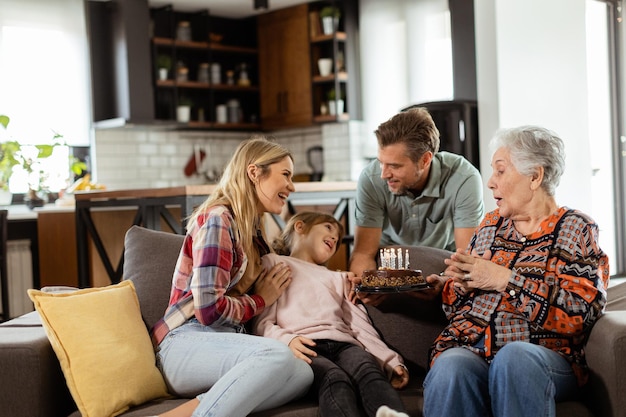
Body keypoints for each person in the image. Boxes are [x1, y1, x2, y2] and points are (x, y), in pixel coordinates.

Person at [419, 126, 610, 417]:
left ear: (535, 176)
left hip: (543, 357)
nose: (490, 183)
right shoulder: (491, 225)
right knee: (451, 365)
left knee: (514, 358)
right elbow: (461, 300)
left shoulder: (576, 228)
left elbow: (580, 313)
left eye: (500, 171)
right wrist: (455, 287)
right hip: (476, 351)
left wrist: (504, 279)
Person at [150, 137, 313, 417]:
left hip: (224, 346)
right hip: (185, 343)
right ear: (254, 173)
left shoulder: (251, 230)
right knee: (276, 355)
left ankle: (187, 412)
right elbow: (208, 310)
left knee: (302, 374)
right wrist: (261, 300)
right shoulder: (219, 220)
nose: (292, 186)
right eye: (285, 175)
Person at [253, 211, 410, 417]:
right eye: (328, 227)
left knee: (368, 370)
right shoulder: (275, 263)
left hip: (345, 345)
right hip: (304, 347)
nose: (335, 237)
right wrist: (287, 340)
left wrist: (390, 361)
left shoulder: (338, 278)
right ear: (299, 227)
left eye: (337, 238)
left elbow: (360, 326)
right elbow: (261, 322)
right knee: (335, 379)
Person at [349, 107, 485, 281]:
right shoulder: (371, 178)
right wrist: (367, 288)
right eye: (381, 163)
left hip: (442, 270)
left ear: (425, 160)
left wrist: (440, 284)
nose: (384, 174)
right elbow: (363, 254)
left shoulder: (464, 178)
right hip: (388, 271)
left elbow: (467, 259)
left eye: (395, 166)